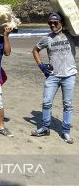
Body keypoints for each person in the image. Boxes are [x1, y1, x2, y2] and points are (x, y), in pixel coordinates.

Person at [31, 12, 79, 144]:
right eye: (50, 23)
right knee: (46, 103)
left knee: (67, 105)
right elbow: (35, 50)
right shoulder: (47, 38)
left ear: (62, 23)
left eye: (55, 22)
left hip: (69, 75)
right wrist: (41, 65)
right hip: (52, 76)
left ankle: (66, 132)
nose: (52, 25)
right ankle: (45, 128)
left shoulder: (71, 36)